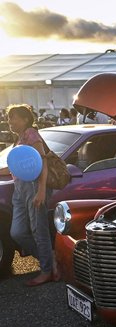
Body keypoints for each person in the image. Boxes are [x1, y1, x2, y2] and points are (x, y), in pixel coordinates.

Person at [0, 105, 58, 286]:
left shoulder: (31, 134)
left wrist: (41, 191)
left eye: (13, 118)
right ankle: (51, 259)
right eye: (9, 118)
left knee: (38, 230)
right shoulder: (19, 139)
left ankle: (47, 270)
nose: (10, 122)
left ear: (25, 119)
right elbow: (16, 167)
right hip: (19, 188)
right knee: (17, 232)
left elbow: (42, 162)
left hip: (34, 186)